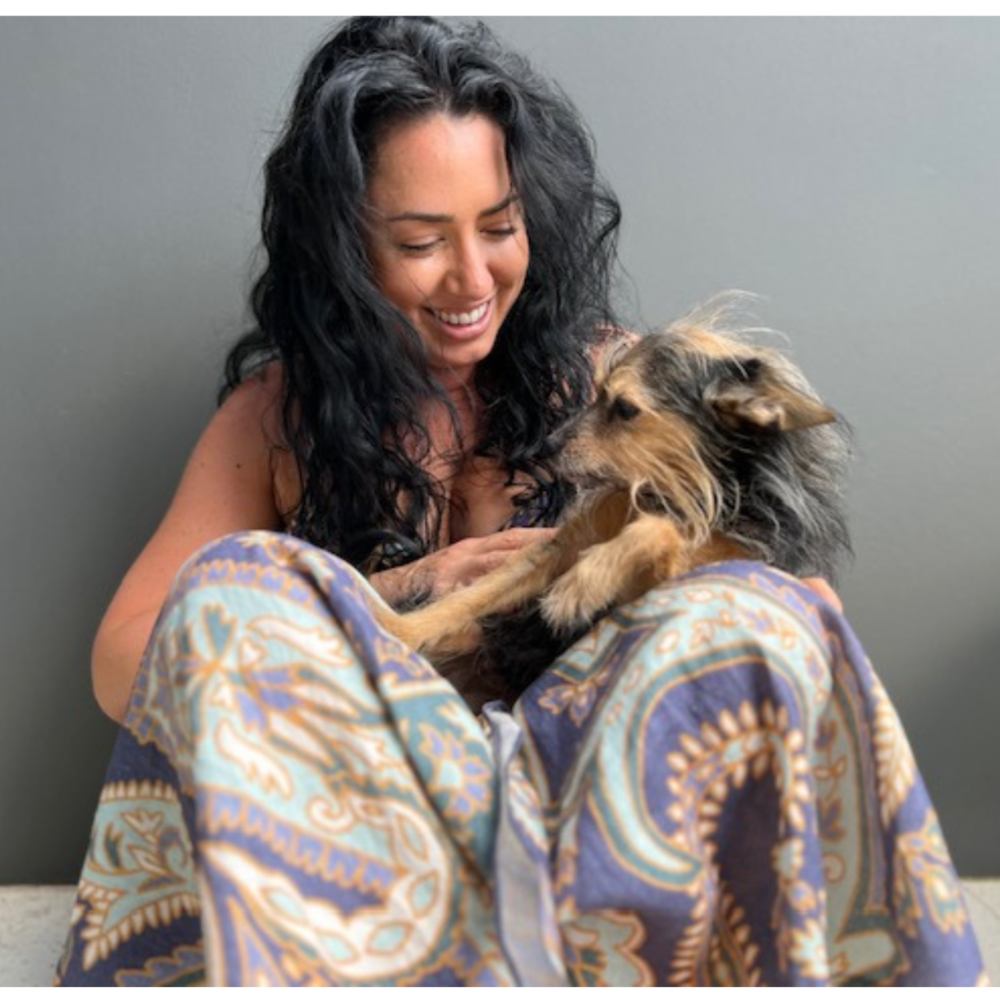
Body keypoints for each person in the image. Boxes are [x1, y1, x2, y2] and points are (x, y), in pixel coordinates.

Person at [57, 17, 986, 987]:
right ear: (341, 248)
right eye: (421, 241)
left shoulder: (622, 385)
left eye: (500, 228)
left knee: (753, 610)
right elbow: (128, 660)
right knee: (232, 583)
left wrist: (671, 589)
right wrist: (393, 593)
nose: (472, 278)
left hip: (608, 808)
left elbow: (795, 606)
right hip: (369, 821)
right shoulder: (273, 421)